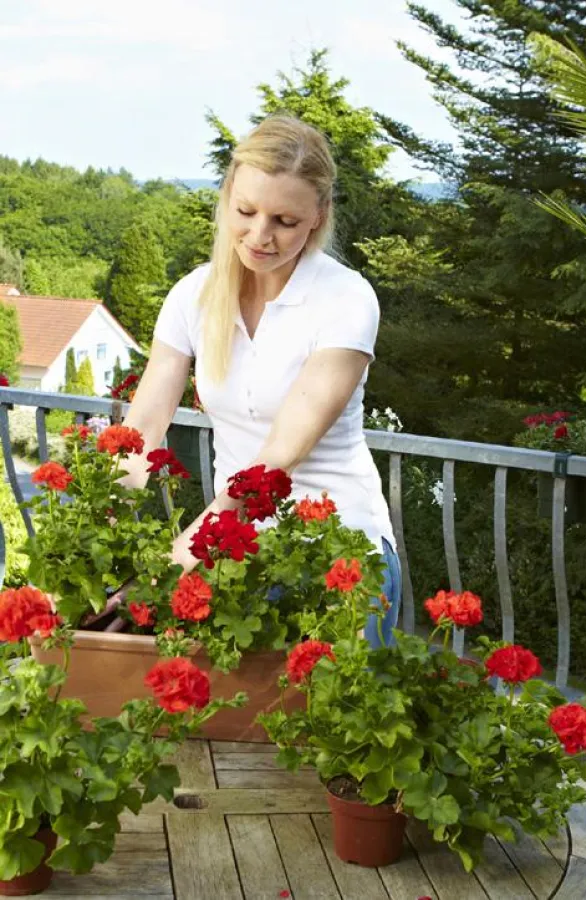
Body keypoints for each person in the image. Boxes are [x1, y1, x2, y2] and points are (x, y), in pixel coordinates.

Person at [119, 114, 401, 647]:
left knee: (328, 727)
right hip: (236, 552)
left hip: (338, 553)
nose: (260, 235)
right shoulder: (192, 296)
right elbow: (141, 431)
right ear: (226, 198)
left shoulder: (346, 299)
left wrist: (189, 548)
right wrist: (93, 524)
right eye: (245, 211)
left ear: (318, 217)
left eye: (285, 221)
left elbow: (278, 458)